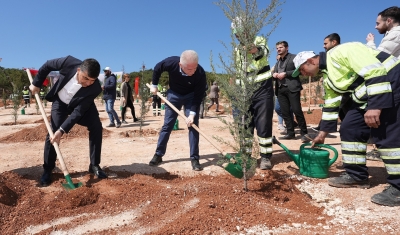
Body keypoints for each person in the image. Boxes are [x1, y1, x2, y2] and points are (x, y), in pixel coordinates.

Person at [293, 42, 400, 207]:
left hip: (390, 83)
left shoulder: (342, 52)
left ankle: (398, 188)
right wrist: (322, 134)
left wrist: (375, 106)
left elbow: (375, 71)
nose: (302, 74)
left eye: (301, 69)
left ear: (311, 61)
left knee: (386, 135)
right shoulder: (327, 77)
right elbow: (331, 104)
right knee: (350, 127)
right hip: (367, 96)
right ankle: (357, 176)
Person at [29, 56, 108, 186]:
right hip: (60, 102)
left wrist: (62, 130)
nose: (88, 83)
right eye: (85, 78)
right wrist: (36, 83)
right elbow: (48, 65)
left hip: (81, 106)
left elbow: (78, 112)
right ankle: (48, 169)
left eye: (92, 80)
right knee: (53, 132)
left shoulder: (95, 89)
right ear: (78, 70)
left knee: (96, 127)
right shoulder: (68, 62)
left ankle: (94, 165)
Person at [148, 50, 207, 171]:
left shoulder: (200, 73)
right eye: (189, 69)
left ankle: (194, 158)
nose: (193, 71)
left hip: (191, 96)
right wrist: (154, 85)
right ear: (181, 65)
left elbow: (198, 96)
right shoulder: (172, 63)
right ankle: (158, 154)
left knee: (193, 125)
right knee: (168, 125)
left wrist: (192, 114)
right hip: (173, 95)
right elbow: (158, 68)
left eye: (194, 68)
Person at [231, 18, 275, 170]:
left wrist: (254, 49)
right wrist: (237, 92)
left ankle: (265, 157)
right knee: (245, 124)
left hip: (262, 89)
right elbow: (238, 72)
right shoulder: (237, 49)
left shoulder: (259, 40)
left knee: (263, 123)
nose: (238, 36)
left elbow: (263, 53)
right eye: (236, 34)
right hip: (244, 91)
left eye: (240, 33)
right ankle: (246, 156)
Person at [365, 6, 400, 160]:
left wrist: (371, 44)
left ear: (389, 21)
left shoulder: (395, 34)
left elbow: (377, 58)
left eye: (378, 23)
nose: (375, 26)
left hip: (394, 80)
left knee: (391, 123)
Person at [272, 41, 312, 143]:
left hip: (292, 88)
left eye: (280, 47)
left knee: (297, 110)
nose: (278, 49)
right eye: (277, 48)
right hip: (280, 89)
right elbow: (275, 74)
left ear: (287, 48)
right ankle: (290, 133)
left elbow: (299, 70)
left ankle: (304, 133)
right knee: (285, 112)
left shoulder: (294, 58)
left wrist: (286, 74)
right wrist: (274, 75)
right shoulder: (278, 62)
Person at [313, 33, 352, 132]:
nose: (323, 46)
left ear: (334, 42)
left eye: (325, 43)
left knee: (342, 109)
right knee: (342, 110)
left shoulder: (340, 53)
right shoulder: (331, 56)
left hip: (347, 90)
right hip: (342, 90)